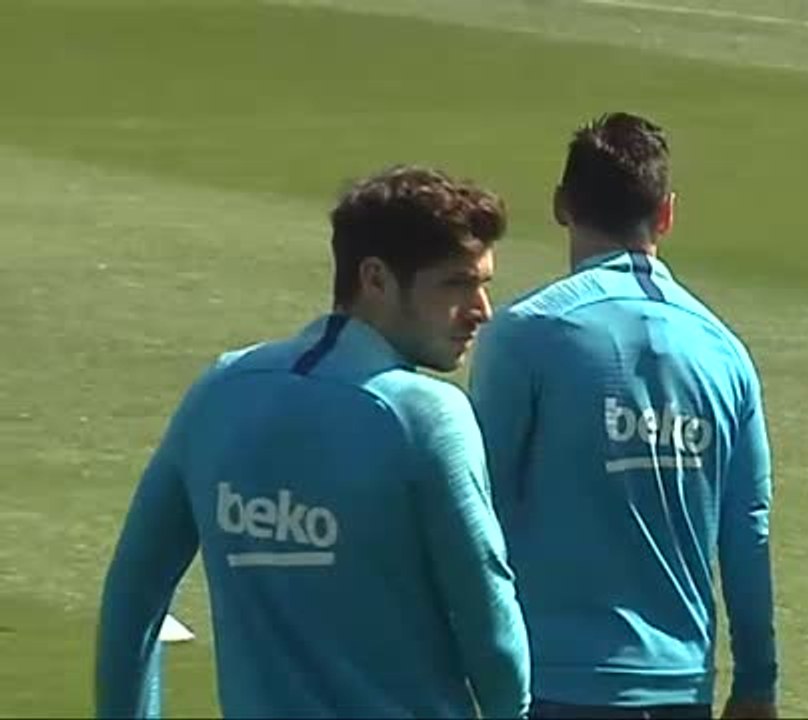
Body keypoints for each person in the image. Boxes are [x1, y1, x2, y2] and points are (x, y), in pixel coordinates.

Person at [95, 166, 530, 719]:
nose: (481, 311)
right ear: (375, 279)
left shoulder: (220, 390)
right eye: (456, 284)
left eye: (483, 284)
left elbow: (134, 595)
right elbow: (489, 624)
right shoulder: (425, 416)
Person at [468, 112, 778, 720]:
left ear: (562, 205)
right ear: (666, 213)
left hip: (550, 683)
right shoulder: (724, 352)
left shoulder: (526, 334)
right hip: (680, 686)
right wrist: (757, 682)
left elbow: (477, 515)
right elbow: (748, 529)